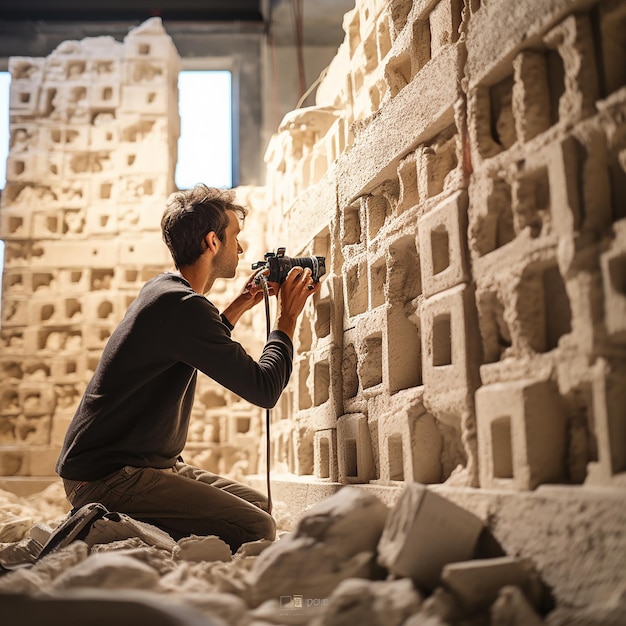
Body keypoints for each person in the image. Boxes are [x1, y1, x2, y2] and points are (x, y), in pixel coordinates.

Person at [55, 183, 320, 552]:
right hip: (108, 476)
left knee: (260, 505)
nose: (240, 249)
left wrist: (241, 303)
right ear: (213, 242)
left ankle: (137, 519)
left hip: (146, 464)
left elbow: (194, 343)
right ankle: (106, 523)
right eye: (235, 238)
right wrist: (287, 318)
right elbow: (264, 389)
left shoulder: (165, 291)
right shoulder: (183, 306)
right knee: (257, 527)